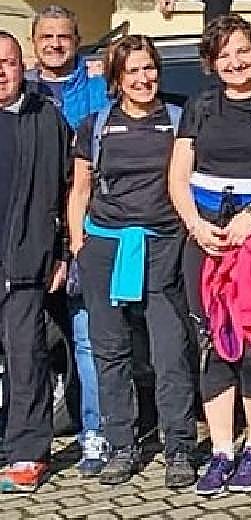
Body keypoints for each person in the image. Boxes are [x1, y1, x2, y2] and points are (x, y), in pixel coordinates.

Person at [167, 14, 251, 497]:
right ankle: (222, 450)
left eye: (242, 50)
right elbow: (177, 176)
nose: (234, 61)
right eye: (224, 54)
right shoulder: (201, 106)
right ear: (211, 62)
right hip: (203, 237)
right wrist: (197, 227)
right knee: (214, 344)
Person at [65, 35, 197, 487]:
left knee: (170, 354)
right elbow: (80, 190)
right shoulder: (95, 125)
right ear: (117, 78)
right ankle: (122, 445)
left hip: (163, 246)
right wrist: (79, 243)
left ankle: (179, 447)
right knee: (110, 353)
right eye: (133, 71)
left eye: (150, 69)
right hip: (105, 247)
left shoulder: (180, 120)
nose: (144, 79)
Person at [24, 5, 109, 477]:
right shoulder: (20, 90)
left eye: (65, 36)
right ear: (35, 44)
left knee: (88, 341)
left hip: (85, 231)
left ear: (78, 41)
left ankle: (93, 432)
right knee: (24, 342)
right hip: (28, 236)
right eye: (47, 37)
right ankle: (24, 435)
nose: (56, 44)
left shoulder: (99, 89)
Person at [0, 30, 71, 493]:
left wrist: (62, 253)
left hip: (26, 261)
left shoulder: (47, 119)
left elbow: (69, 191)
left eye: (5, 63)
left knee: (26, 359)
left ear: (20, 65)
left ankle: (27, 453)